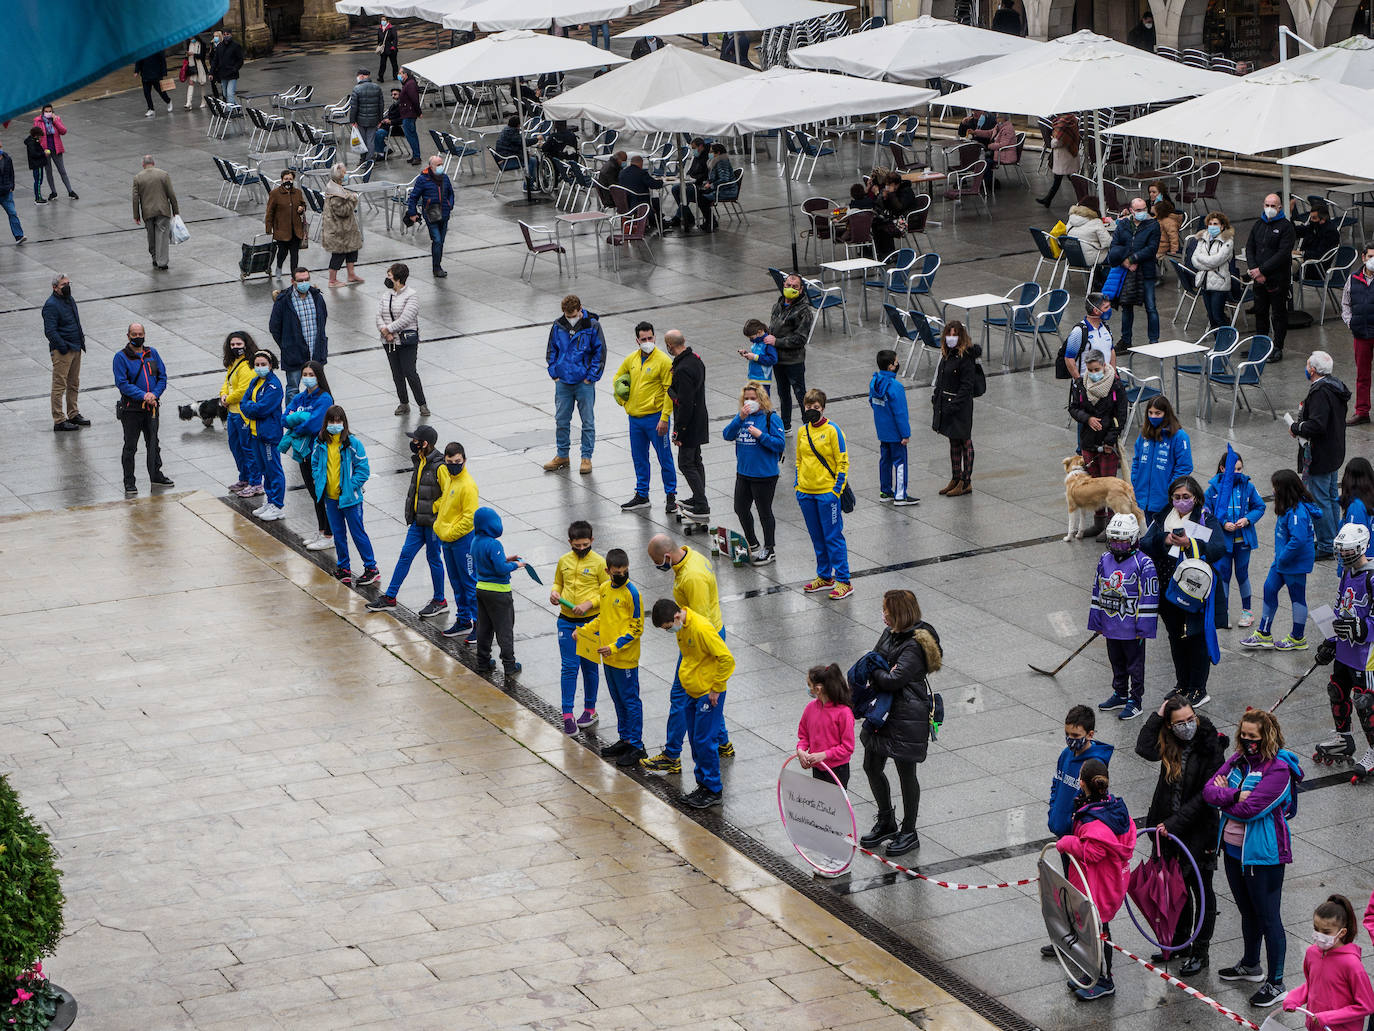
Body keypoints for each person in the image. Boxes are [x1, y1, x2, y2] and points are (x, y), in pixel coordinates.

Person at [1204, 708, 1303, 1009]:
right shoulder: (1238, 761)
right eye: (1243, 735)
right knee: (1247, 912)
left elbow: (1253, 811)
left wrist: (1229, 798)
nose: (1247, 741)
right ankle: (1250, 965)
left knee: (1269, 918)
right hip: (1235, 852)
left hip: (1264, 857)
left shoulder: (1278, 770)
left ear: (1267, 737)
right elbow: (1209, 792)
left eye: (1253, 737)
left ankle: (1276, 983)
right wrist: (1235, 796)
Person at [1134, 695, 1228, 977]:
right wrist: (1157, 714)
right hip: (1168, 831)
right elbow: (1143, 748)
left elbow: (1205, 798)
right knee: (1178, 886)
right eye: (1179, 722)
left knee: (1201, 890)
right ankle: (1180, 941)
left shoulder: (1211, 745)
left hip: (1198, 832)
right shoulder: (1168, 741)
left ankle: (1201, 951)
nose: (1187, 726)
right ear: (1169, 725)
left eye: (1190, 719)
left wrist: (1173, 823)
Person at [856, 589, 940, 856]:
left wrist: (879, 670)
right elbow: (875, 659)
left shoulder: (915, 643)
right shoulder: (892, 632)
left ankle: (909, 831)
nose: (884, 615)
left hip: (906, 714)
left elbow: (895, 679)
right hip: (882, 710)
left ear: (899, 613)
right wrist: (881, 670)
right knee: (871, 765)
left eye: (887, 611)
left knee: (907, 774)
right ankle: (886, 820)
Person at [641, 533, 732, 775]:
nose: (658, 567)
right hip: (706, 635)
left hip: (701, 643)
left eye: (659, 562)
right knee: (703, 692)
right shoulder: (690, 557)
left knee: (680, 697)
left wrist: (692, 658)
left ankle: (671, 754)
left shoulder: (692, 578)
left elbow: (699, 622)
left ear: (668, 556)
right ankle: (722, 742)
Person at [1056, 758, 1137, 1001]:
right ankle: (1094, 973)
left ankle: (1104, 979)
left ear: (1082, 783)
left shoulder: (1094, 819)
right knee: (1096, 929)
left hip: (1098, 884)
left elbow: (1094, 851)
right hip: (1110, 880)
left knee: (1100, 931)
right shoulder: (1113, 808)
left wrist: (1068, 843)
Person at [1142, 475, 1223, 707]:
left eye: (1186, 497)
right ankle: (1182, 683)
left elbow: (1218, 548)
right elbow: (1145, 543)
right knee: (1175, 638)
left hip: (1193, 591)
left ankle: (1198, 688)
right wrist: (1165, 540)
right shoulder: (1161, 518)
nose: (1181, 501)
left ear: (1195, 497)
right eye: (1176, 497)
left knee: (1195, 638)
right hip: (1167, 590)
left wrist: (1190, 544)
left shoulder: (1205, 518)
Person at [651, 598, 734, 809]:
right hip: (693, 691)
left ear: (677, 616)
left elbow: (726, 659)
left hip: (708, 693)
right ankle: (703, 785)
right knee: (696, 740)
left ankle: (714, 789)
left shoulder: (701, 628)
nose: (670, 631)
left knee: (705, 741)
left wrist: (716, 687)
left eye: (669, 627)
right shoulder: (682, 628)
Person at [365, 425, 448, 619]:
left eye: (416, 440)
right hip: (418, 522)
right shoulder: (420, 460)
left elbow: (448, 495)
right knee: (405, 556)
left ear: (425, 443)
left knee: (434, 559)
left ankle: (440, 600)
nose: (413, 442)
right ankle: (390, 597)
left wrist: (433, 509)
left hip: (433, 524)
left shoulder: (440, 466)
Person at [1312, 521, 1373, 771]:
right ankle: (1344, 739)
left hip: (1366, 654)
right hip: (1345, 650)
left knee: (1365, 702)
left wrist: (1360, 627)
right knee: (1337, 690)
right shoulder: (1347, 572)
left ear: (1360, 548)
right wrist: (1330, 640)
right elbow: (1340, 606)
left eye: (1347, 551)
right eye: (1341, 551)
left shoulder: (1371, 576)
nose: (1343, 556)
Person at [578, 548, 646, 767]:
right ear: (608, 571)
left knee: (630, 700)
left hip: (624, 658)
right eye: (617, 571)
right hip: (607, 658)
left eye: (625, 571)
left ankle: (636, 745)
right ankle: (625, 738)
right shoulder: (605, 589)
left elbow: (637, 628)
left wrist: (615, 647)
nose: (622, 575)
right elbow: (603, 618)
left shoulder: (632, 593)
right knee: (618, 700)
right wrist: (584, 631)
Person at [1240, 470, 1318, 651]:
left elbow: (1297, 540)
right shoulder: (1288, 508)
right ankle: (1264, 633)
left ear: (1285, 489)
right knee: (1269, 589)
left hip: (1294, 563)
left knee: (1297, 598)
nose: (1273, 491)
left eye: (1275, 487)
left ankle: (1298, 637)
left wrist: (1282, 557)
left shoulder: (1298, 512)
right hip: (1282, 562)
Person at [1091, 514, 1158, 719]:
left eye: (1122, 540)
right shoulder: (1104, 559)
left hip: (1132, 628)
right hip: (1111, 624)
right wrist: (1097, 620)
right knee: (1116, 661)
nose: (1118, 545)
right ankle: (1119, 693)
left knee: (1134, 665)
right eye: (1114, 540)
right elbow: (1097, 589)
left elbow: (1150, 596)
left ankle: (1135, 700)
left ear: (1133, 539)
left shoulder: (1144, 563)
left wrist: (1144, 627)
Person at [1282, 895, 1374, 1031]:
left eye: (1326, 932)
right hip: (1316, 1026)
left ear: (1342, 932)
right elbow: (1312, 984)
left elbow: (1366, 1005)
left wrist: (1328, 1017)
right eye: (1316, 928)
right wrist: (1294, 998)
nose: (1319, 935)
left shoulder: (1352, 965)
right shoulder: (1312, 953)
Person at [311, 405, 379, 587]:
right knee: (339, 535)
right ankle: (344, 568)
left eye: (338, 421)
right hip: (331, 498)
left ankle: (371, 568)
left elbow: (363, 470)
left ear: (344, 422)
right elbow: (315, 463)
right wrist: (320, 479)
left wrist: (350, 487)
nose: (335, 424)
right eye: (332, 421)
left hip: (350, 499)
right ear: (326, 423)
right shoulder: (320, 442)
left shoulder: (352, 443)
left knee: (358, 533)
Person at [1292, 350, 1350, 559]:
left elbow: (1317, 425)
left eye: (1308, 366)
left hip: (1320, 454)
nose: (1306, 369)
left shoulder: (1319, 392)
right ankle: (1334, 538)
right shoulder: (1335, 387)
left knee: (1320, 500)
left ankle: (1326, 544)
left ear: (1313, 370)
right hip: (1333, 452)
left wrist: (1296, 427)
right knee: (1331, 497)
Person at [552, 520, 608, 735]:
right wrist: (555, 593)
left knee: (589, 667)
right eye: (577, 545)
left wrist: (588, 604)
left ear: (592, 540)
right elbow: (558, 582)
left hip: (590, 624)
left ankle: (590, 710)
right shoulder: (564, 561)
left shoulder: (599, 563)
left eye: (586, 545)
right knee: (569, 666)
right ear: (570, 542)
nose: (582, 549)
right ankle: (567, 714)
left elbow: (606, 593)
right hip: (566, 621)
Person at [614, 321, 676, 515]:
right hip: (635, 419)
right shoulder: (631, 359)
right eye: (644, 339)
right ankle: (642, 494)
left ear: (655, 337)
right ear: (637, 340)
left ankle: (671, 496)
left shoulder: (664, 361)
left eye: (650, 338)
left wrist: (664, 418)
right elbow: (618, 379)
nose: (648, 341)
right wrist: (623, 402)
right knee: (639, 458)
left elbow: (670, 391)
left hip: (656, 418)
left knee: (664, 458)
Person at [796, 389, 852, 601]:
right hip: (806, 493)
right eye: (808, 407)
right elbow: (799, 460)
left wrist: (835, 490)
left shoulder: (833, 431)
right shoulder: (802, 431)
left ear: (823, 408)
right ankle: (824, 576)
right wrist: (798, 485)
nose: (811, 410)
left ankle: (844, 581)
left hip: (827, 495)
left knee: (833, 537)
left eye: (816, 407)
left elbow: (842, 462)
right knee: (817, 537)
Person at [1067, 349, 1128, 538]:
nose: (1093, 373)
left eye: (1096, 369)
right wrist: (1088, 418)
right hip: (1088, 442)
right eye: (1089, 370)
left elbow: (1121, 416)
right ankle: (1098, 522)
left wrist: (1110, 439)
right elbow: (1073, 408)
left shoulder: (1116, 386)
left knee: (1108, 484)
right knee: (1093, 484)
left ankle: (1112, 524)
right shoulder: (1080, 384)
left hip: (1107, 443)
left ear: (1103, 366)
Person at [723, 382, 785, 565]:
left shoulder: (770, 418)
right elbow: (727, 434)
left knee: (764, 512)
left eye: (753, 398)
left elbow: (780, 444)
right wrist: (739, 418)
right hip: (743, 473)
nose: (749, 402)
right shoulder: (742, 416)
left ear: (761, 399)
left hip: (765, 475)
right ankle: (752, 542)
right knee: (740, 508)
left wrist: (761, 436)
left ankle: (770, 548)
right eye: (746, 398)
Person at [544, 294, 606, 475]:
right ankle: (562, 455)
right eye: (567, 315)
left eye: (572, 314)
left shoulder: (592, 325)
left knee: (587, 421)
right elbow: (551, 349)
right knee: (561, 420)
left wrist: (591, 377)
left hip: (583, 382)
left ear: (580, 310)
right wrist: (554, 373)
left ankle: (586, 457)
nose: (570, 318)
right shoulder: (558, 325)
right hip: (563, 381)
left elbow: (600, 352)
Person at [1205, 448, 1265, 629]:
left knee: (1242, 575)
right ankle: (1224, 612)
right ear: (1223, 469)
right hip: (1223, 543)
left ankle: (1247, 611)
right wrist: (1222, 523)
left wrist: (1247, 519)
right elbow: (1206, 512)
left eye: (1240, 469)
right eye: (1234, 469)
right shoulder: (1213, 489)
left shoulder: (1248, 486)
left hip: (1242, 541)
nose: (1237, 473)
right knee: (1223, 576)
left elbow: (1260, 507)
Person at [280, 360, 335, 552]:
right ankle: (322, 531)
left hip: (318, 453)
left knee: (322, 493)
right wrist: (298, 421)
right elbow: (284, 418)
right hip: (303, 453)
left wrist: (297, 422)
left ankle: (329, 534)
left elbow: (314, 425)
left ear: (319, 376)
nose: (308, 378)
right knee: (314, 494)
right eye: (305, 375)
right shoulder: (301, 397)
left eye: (312, 375)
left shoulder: (324, 398)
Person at [112, 325, 172, 496]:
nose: (137, 337)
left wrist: (154, 394)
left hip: (151, 407)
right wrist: (143, 395)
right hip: (132, 410)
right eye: (134, 334)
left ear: (145, 335)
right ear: (128, 335)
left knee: (154, 443)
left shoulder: (152, 353)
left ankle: (156, 474)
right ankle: (129, 481)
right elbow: (122, 383)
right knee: (130, 446)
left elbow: (162, 377)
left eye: (140, 334)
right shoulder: (120, 357)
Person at [470, 506, 525, 677]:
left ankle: (483, 662)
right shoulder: (494, 543)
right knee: (504, 628)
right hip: (499, 593)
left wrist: (506, 558)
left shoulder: (475, 541)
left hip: (481, 589)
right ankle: (510, 665)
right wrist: (517, 564)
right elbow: (501, 569)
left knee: (484, 627)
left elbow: (487, 561)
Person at [434, 442, 478, 640]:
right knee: (456, 582)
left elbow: (470, 518)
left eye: (457, 461)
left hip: (462, 541)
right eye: (450, 461)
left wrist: (450, 533)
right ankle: (463, 620)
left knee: (469, 583)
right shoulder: (451, 479)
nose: (454, 465)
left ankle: (479, 623)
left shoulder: (467, 485)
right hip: (448, 540)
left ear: (464, 460)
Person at [931, 320, 979, 498]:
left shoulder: (966, 357)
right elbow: (940, 378)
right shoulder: (947, 354)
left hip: (961, 406)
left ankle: (966, 481)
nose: (951, 338)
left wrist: (955, 404)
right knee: (953, 441)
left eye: (954, 335)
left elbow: (967, 386)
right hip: (947, 403)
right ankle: (955, 477)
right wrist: (936, 398)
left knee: (965, 441)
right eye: (949, 334)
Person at [1246, 193, 1296, 363]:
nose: (1269, 208)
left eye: (1273, 206)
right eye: (1267, 205)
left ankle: (1277, 347)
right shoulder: (1258, 224)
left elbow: (1282, 254)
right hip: (1258, 278)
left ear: (1280, 207)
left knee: (1278, 314)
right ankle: (1261, 344)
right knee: (1260, 312)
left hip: (1277, 279)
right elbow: (1250, 247)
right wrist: (1254, 269)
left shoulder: (1286, 227)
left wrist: (1262, 270)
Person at [1108, 197, 1161, 352]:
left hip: (1146, 271)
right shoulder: (1123, 224)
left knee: (1151, 307)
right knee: (1126, 306)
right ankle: (1126, 340)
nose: (1142, 212)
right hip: (1127, 272)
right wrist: (1125, 261)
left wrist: (1133, 258)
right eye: (1138, 210)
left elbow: (1151, 248)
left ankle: (1154, 340)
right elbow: (1114, 245)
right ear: (1131, 211)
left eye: (1144, 209)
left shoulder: (1153, 225)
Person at [666, 330, 709, 520]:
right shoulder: (695, 359)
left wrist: (678, 432)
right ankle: (699, 497)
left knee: (685, 463)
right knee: (696, 460)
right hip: (700, 418)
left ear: (670, 345)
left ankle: (701, 503)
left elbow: (684, 403)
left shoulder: (682, 368)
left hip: (689, 424)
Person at [376, 263, 428, 417]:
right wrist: (385, 332)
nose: (387, 279)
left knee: (410, 372)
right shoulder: (386, 295)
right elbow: (378, 315)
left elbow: (406, 318)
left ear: (398, 279)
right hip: (389, 342)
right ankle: (403, 402)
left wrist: (389, 329)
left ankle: (422, 403)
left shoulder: (411, 295)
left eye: (389, 276)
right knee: (396, 373)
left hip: (406, 342)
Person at [240, 348, 286, 521]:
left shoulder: (273, 386)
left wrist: (251, 408)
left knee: (273, 469)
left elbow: (262, 408)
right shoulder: (255, 381)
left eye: (263, 364)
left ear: (271, 365)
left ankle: (278, 505)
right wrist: (251, 408)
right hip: (255, 433)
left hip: (268, 435)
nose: (260, 367)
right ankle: (270, 501)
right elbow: (244, 402)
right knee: (265, 469)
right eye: (257, 364)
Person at [1131, 396, 1193, 525]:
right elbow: (1136, 460)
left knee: (1165, 537)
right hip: (1144, 497)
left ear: (1166, 414)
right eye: (1150, 413)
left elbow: (1184, 467)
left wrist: (1170, 489)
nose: (1153, 416)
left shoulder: (1179, 436)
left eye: (1158, 413)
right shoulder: (1144, 434)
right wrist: (1136, 480)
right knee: (1151, 535)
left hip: (1165, 499)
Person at [268, 267, 329, 397]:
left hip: (315, 352)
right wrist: (286, 345)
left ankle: (317, 414)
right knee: (292, 389)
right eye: (300, 280)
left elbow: (323, 319)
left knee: (318, 388)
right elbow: (274, 327)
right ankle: (291, 416)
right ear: (293, 281)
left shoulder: (317, 297)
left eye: (307, 279)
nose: (304, 283)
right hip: (294, 354)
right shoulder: (284, 300)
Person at [869, 348, 916, 506]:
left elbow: (872, 402)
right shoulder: (895, 387)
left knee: (885, 461)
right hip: (896, 433)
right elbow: (900, 413)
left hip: (882, 431)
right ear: (890, 366)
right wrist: (905, 434)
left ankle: (885, 491)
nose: (897, 364)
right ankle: (900, 495)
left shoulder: (874, 382)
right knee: (900, 462)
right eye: (896, 362)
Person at [796, 664, 855, 786]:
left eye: (809, 685)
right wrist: (801, 750)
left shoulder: (843, 713)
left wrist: (824, 755)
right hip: (818, 767)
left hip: (837, 770)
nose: (808, 688)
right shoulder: (810, 708)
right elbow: (804, 735)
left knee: (834, 804)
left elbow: (847, 747)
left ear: (818, 689)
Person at [42, 274, 87, 432]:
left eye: (68, 283)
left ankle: (73, 413)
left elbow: (76, 322)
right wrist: (62, 347)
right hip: (64, 351)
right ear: (55, 288)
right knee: (59, 385)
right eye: (63, 285)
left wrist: (80, 342)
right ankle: (59, 419)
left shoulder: (70, 299)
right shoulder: (51, 305)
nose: (67, 287)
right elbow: (50, 331)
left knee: (73, 383)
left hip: (75, 347)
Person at [219, 331, 261, 497]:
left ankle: (255, 482)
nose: (235, 347)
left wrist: (227, 398)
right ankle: (244, 478)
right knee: (236, 447)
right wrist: (223, 394)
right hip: (232, 413)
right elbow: (227, 382)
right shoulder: (233, 363)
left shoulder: (249, 365)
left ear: (246, 344)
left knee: (248, 448)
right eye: (232, 345)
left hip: (243, 414)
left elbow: (243, 390)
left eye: (239, 344)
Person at [768, 274, 810, 434]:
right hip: (777, 360)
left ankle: (808, 425)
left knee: (800, 394)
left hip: (794, 361)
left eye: (795, 287)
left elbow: (800, 338)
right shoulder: (778, 305)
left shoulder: (803, 311)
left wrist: (776, 342)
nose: (790, 288)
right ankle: (785, 426)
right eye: (788, 285)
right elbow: (772, 328)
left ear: (800, 290)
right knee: (782, 393)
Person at [1341, 243, 1374, 426]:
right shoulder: (1353, 279)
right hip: (1361, 333)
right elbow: (1345, 303)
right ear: (1363, 258)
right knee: (1362, 375)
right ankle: (1362, 411)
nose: (1372, 260)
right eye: (1370, 256)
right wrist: (1350, 322)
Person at [405, 156, 455, 278]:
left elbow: (451, 193)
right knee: (437, 240)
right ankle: (436, 268)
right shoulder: (423, 179)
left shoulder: (445, 178)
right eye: (438, 165)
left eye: (441, 164)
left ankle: (437, 265)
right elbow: (413, 197)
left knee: (440, 242)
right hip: (431, 213)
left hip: (444, 213)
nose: (441, 167)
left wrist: (450, 205)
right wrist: (412, 213)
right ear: (431, 166)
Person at [131, 155, 178, 271]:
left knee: (151, 235)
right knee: (162, 235)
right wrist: (176, 210)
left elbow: (135, 198)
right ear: (154, 163)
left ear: (143, 165)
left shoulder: (138, 178)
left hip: (147, 212)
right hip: (163, 210)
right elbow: (171, 194)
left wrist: (136, 215)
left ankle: (154, 257)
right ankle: (162, 262)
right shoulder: (163, 175)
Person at [1192, 211, 1236, 329]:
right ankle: (1218, 341)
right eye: (1210, 223)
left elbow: (1216, 260)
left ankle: (1226, 339)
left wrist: (1202, 259)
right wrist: (1207, 263)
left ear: (1222, 226)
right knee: (1211, 317)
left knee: (1218, 316)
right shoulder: (1202, 238)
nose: (1212, 226)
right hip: (1205, 282)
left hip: (1219, 283)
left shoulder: (1228, 241)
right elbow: (1194, 259)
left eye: (1215, 224)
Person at [322, 164, 363, 287]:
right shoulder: (335, 194)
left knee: (352, 251)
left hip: (347, 229)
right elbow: (342, 211)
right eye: (344, 173)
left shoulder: (337, 187)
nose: (346, 175)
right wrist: (354, 200)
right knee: (338, 254)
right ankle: (332, 280)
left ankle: (351, 274)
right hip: (339, 230)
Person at [1061, 292, 1114, 383]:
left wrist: (1114, 373)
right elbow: (1069, 358)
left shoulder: (1105, 327)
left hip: (1106, 383)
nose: (1110, 310)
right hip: (1087, 384)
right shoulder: (1079, 331)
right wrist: (1078, 380)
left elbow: (1111, 350)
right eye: (1106, 307)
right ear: (1096, 311)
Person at [263, 169, 307, 275]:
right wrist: (268, 228)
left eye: (290, 179)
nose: (288, 181)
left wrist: (302, 208)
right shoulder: (275, 194)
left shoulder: (297, 192)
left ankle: (294, 275)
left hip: (295, 230)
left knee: (294, 254)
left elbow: (303, 204)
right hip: (281, 230)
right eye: (286, 179)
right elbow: (269, 212)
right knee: (282, 252)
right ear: (282, 180)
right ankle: (279, 266)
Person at [1337, 458, 1374, 573]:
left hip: (1361, 565)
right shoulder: (1368, 500)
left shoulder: (1356, 507)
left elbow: (1352, 540)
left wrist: (1343, 568)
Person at [33, 104, 76, 200]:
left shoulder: (56, 119)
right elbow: (35, 135)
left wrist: (55, 121)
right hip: (45, 150)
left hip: (56, 149)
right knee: (49, 172)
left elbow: (63, 131)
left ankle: (70, 191)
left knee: (62, 171)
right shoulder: (38, 121)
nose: (48, 113)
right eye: (46, 111)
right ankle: (53, 192)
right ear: (43, 112)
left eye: (50, 111)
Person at [1037, 113, 1080, 207]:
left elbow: (1058, 142)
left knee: (1063, 179)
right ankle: (1047, 200)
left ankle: (1083, 199)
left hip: (1063, 157)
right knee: (1066, 179)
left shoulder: (1062, 123)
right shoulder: (1073, 121)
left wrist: (1052, 142)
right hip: (1070, 155)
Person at [668, 139, 709, 230]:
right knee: (675, 189)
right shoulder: (696, 157)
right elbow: (691, 170)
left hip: (701, 184)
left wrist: (695, 179)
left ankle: (678, 217)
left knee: (685, 192)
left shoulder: (706, 158)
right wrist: (687, 177)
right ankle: (688, 216)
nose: (693, 150)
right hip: (692, 182)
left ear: (701, 146)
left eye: (694, 148)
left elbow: (706, 174)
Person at [971, 113, 1016, 190]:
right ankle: (985, 180)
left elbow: (1004, 144)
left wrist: (989, 146)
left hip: (1004, 154)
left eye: (998, 117)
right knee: (981, 159)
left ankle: (989, 182)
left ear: (1003, 118)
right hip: (996, 152)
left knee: (986, 162)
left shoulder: (1008, 129)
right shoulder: (998, 126)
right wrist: (975, 132)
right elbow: (990, 133)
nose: (996, 119)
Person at [348, 69, 385, 163]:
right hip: (374, 120)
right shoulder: (377, 88)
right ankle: (370, 160)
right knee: (370, 140)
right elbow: (381, 105)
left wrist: (352, 120)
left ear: (361, 76)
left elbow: (354, 107)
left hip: (360, 120)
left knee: (362, 140)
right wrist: (380, 119)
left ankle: (363, 159)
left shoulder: (356, 89)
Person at [1293, 199, 1341, 268]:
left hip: (1316, 266)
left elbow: (1319, 254)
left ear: (1323, 219)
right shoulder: (1314, 227)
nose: (1311, 220)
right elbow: (1299, 231)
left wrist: (1300, 253)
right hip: (1305, 260)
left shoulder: (1330, 232)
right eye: (1311, 218)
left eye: (1314, 218)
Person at [1065, 204, 1114, 271]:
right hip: (1092, 259)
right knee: (1118, 255)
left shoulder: (1070, 222)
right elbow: (1107, 243)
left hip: (1074, 258)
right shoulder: (1096, 222)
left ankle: (1095, 277)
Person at [616, 155, 663, 223]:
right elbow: (654, 185)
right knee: (656, 201)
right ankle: (658, 222)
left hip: (624, 204)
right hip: (639, 204)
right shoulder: (642, 173)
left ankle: (654, 220)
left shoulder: (622, 172)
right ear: (641, 163)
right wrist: (661, 181)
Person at [738, 318, 776, 396]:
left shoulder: (767, 343)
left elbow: (773, 360)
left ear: (759, 332)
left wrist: (755, 357)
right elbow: (757, 355)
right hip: (753, 377)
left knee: (763, 402)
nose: (751, 340)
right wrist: (747, 354)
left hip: (762, 380)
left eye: (751, 338)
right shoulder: (757, 342)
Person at [0, 140, 25, 245]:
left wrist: (12, 186)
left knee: (12, 213)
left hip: (6, 192)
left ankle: (19, 236)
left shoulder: (7, 159)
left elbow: (12, 173)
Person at [134, 50, 172, 117]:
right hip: (145, 74)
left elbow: (162, 59)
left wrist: (164, 72)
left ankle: (168, 101)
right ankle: (151, 109)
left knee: (160, 91)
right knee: (146, 93)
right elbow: (138, 59)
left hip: (156, 73)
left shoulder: (157, 47)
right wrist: (136, 71)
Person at [210, 30, 243, 105]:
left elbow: (240, 60)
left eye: (227, 34)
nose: (226, 36)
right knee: (225, 94)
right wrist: (211, 72)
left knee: (230, 93)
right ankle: (237, 108)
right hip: (223, 74)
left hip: (232, 74)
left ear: (231, 35)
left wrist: (235, 68)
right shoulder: (219, 46)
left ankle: (229, 112)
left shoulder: (236, 46)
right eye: (224, 34)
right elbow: (215, 60)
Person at [396, 68, 422, 165]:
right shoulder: (407, 83)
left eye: (400, 73)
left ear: (405, 74)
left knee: (411, 135)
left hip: (409, 114)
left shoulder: (410, 84)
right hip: (407, 113)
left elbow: (415, 100)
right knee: (411, 135)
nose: (398, 75)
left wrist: (419, 112)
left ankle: (417, 156)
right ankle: (415, 155)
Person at [374, 87, 404, 159]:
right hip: (387, 126)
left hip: (395, 128)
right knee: (372, 132)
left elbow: (403, 119)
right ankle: (385, 149)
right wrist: (382, 121)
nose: (393, 96)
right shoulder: (394, 104)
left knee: (378, 134)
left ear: (400, 95)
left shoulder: (402, 105)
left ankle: (381, 153)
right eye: (392, 94)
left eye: (395, 94)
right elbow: (388, 115)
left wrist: (391, 121)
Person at [25, 127, 50, 204]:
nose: (40, 137)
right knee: (38, 181)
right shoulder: (32, 143)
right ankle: (38, 198)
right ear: (36, 135)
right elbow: (34, 154)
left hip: (36, 164)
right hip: (37, 164)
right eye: (39, 136)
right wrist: (44, 153)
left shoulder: (32, 141)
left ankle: (38, 197)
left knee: (38, 181)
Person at [183, 35, 208, 110]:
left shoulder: (202, 44)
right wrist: (187, 54)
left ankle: (204, 101)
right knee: (191, 82)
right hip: (191, 66)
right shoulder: (188, 44)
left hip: (200, 66)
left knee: (202, 83)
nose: (190, 39)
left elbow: (202, 56)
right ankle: (188, 102)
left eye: (191, 37)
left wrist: (193, 54)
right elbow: (186, 56)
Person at [377, 16, 399, 81]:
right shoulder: (380, 29)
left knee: (394, 63)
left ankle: (395, 76)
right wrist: (379, 46)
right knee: (382, 64)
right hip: (383, 49)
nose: (382, 21)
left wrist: (394, 46)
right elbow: (379, 39)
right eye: (381, 20)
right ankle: (381, 77)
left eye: (384, 20)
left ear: (387, 21)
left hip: (391, 49)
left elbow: (395, 38)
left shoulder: (392, 28)